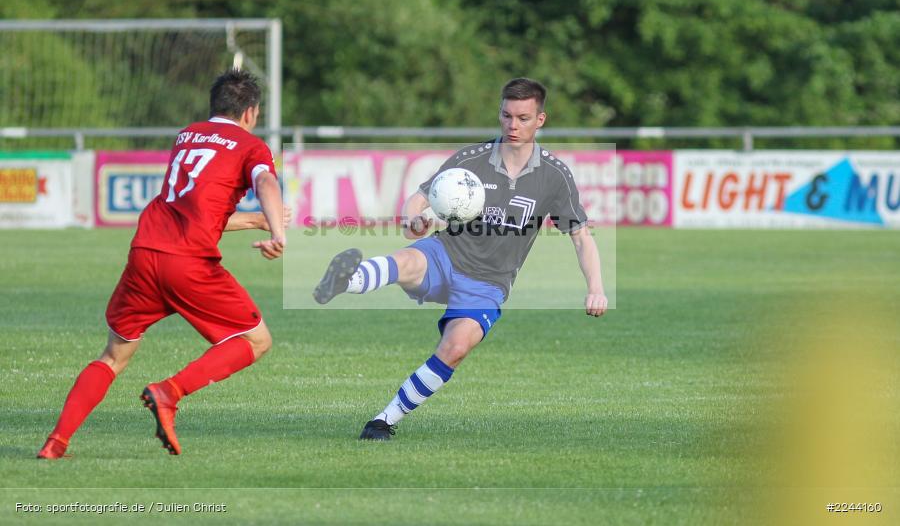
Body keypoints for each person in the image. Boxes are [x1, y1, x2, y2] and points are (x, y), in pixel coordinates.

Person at [313, 77, 608, 440]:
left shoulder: (553, 177)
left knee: (455, 347)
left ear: (540, 120)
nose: (513, 126)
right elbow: (418, 199)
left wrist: (596, 287)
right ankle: (347, 280)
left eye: (523, 118)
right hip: (447, 254)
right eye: (506, 116)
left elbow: (580, 236)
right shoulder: (472, 159)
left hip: (489, 281)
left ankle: (383, 421)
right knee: (406, 261)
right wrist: (413, 218)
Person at [37, 69, 287, 459]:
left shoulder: (187, 134)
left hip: (145, 254)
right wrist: (277, 231)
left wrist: (254, 221)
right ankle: (170, 391)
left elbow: (196, 211)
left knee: (113, 356)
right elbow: (267, 184)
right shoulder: (251, 146)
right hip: (188, 263)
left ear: (214, 105)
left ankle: (56, 443)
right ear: (251, 113)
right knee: (256, 340)